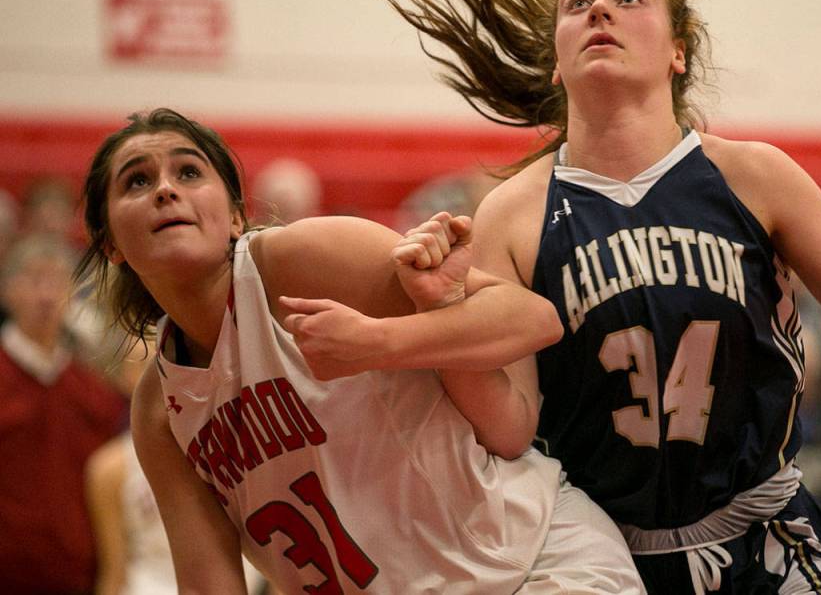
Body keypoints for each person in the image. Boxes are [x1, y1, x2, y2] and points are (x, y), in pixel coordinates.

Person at [372, 0, 821, 594]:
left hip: (764, 538)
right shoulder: (513, 213)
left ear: (678, 51)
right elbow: (511, 427)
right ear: (556, 64)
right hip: (601, 556)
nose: (600, 9)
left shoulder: (757, 177)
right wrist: (444, 314)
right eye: (578, 2)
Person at [74, 107, 646, 594]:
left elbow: (533, 319)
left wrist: (377, 343)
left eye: (188, 171)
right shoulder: (159, 411)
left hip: (532, 566)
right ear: (110, 245)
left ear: (236, 217)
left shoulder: (300, 260)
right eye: (137, 181)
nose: (166, 188)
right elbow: (208, 584)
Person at [85, 338, 269, 595]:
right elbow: (114, 571)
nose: (159, 380)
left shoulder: (235, 447)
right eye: (144, 367)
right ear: (126, 379)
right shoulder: (108, 469)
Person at [0, 234, 128, 594]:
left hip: (79, 576)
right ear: (8, 292)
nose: (45, 295)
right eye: (32, 279)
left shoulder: (95, 391)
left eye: (56, 281)